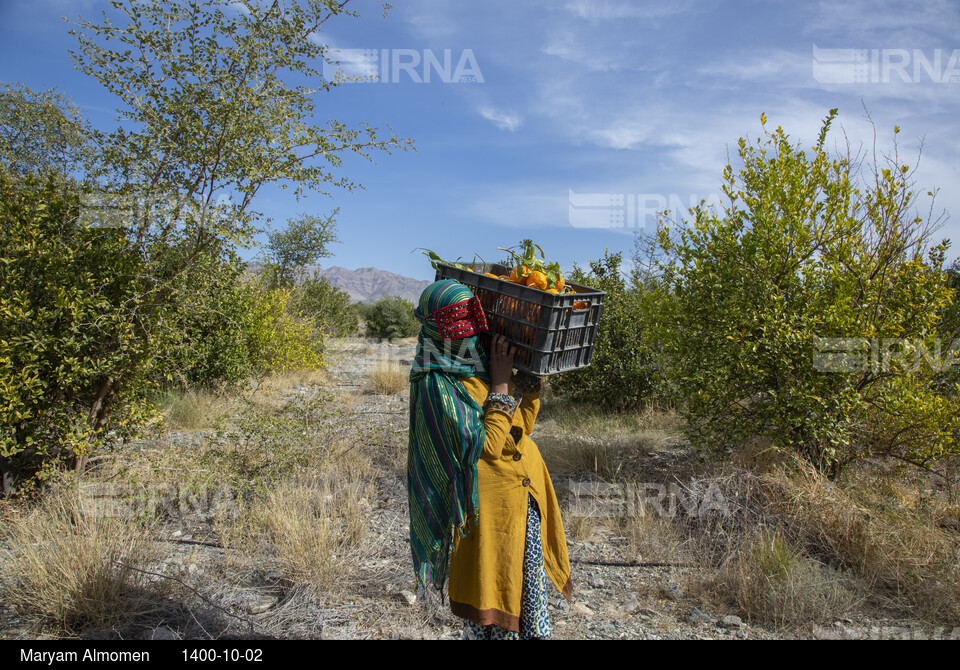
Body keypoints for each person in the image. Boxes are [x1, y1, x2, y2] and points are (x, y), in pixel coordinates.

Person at [407, 279, 572, 640]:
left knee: (527, 606)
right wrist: (501, 386)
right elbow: (488, 446)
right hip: (489, 514)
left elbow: (520, 427)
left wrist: (527, 387)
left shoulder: (477, 366)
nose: (471, 339)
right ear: (437, 327)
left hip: (524, 502)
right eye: (460, 329)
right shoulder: (438, 384)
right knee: (496, 607)